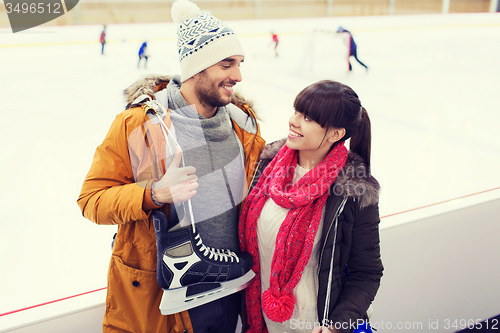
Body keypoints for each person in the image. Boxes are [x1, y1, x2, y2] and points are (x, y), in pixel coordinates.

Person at [77, 0, 265, 332]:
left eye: (239, 63)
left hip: (233, 288)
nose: (237, 75)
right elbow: (92, 200)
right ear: (197, 67)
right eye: (226, 64)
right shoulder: (140, 124)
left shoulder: (243, 124)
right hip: (171, 300)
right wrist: (155, 193)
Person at [239, 80, 383, 333]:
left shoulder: (353, 191)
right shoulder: (267, 167)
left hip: (313, 324)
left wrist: (336, 327)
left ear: (336, 134)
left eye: (307, 117)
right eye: (296, 111)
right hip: (261, 320)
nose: (293, 121)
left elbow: (367, 273)